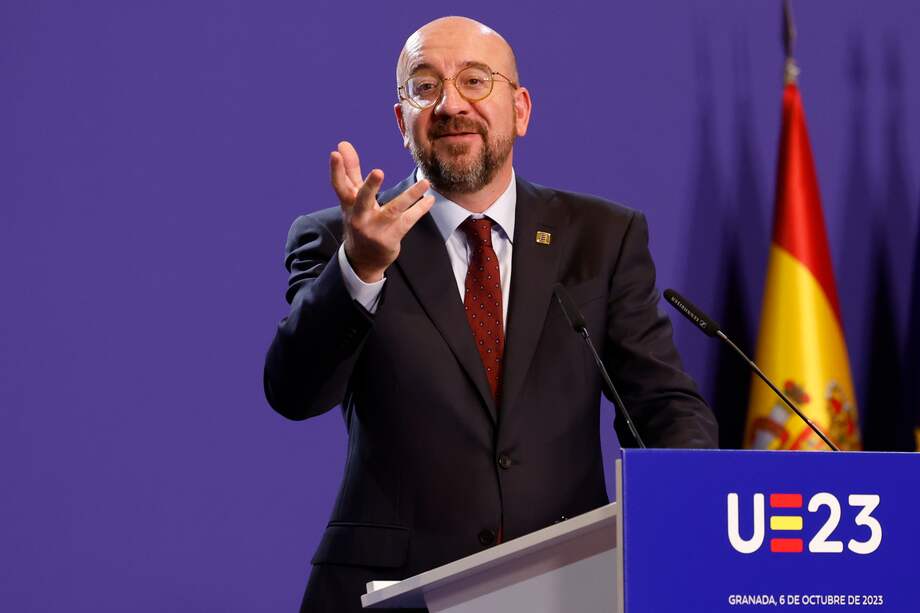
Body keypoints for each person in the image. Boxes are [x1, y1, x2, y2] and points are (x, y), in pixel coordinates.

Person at [263, 15, 718, 612]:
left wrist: (689, 507)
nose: (451, 104)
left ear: (521, 109)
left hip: (568, 587)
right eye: (425, 87)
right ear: (403, 122)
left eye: (475, 81)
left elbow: (660, 407)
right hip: (393, 592)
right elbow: (296, 392)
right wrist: (361, 267)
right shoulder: (338, 239)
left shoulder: (602, 237)